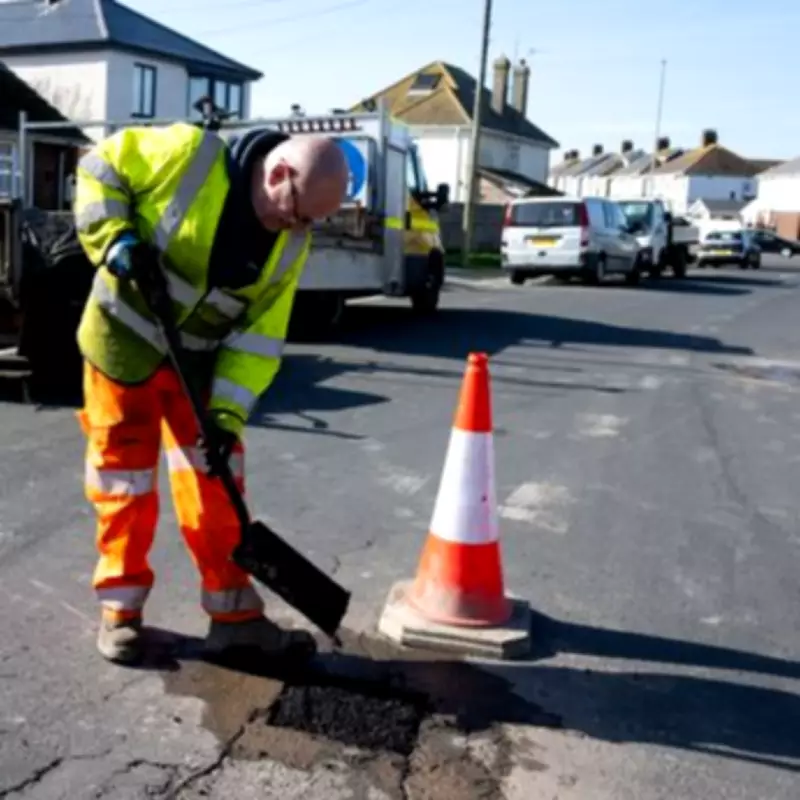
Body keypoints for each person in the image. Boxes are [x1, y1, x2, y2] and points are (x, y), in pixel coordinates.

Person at [72, 120, 349, 664]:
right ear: (278, 172)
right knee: (124, 484)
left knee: (218, 482)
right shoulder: (189, 155)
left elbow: (260, 339)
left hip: (195, 362)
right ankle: (121, 613)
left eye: (312, 220)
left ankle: (234, 616)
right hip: (123, 341)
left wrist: (224, 417)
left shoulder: (293, 240)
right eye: (296, 210)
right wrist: (114, 239)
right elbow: (98, 167)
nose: (297, 225)